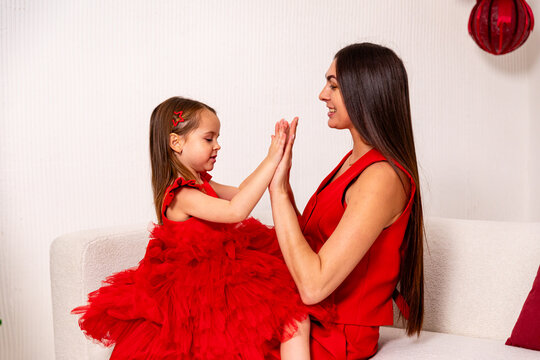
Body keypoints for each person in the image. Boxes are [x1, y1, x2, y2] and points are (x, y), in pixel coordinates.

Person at [71, 96, 331, 359]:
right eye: (209, 139)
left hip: (224, 273)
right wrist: (271, 159)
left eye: (217, 138)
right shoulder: (181, 194)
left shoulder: (201, 183)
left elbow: (241, 191)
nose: (217, 146)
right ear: (176, 142)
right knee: (274, 324)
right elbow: (236, 210)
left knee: (293, 317)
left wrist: (274, 161)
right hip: (197, 289)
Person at [268, 43, 424, 359]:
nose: (322, 95)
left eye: (334, 85)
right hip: (310, 319)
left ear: (365, 92)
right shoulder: (353, 161)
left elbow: (313, 285)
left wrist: (279, 193)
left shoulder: (381, 176)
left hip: (334, 334)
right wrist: (282, 184)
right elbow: (311, 244)